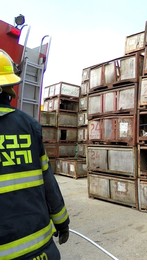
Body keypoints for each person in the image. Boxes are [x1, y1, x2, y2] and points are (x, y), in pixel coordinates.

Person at [0, 49, 70, 260]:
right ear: (9, 89)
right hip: (43, 251)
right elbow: (48, 181)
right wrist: (62, 221)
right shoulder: (29, 126)